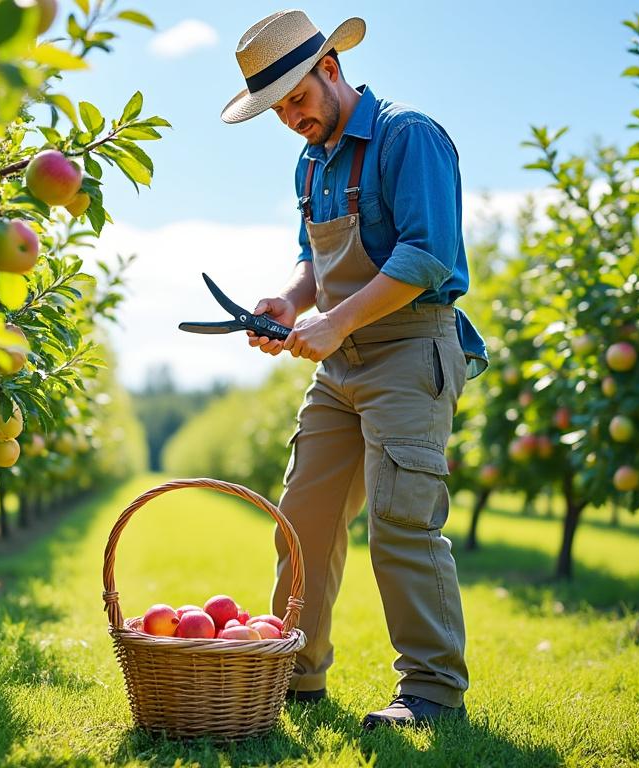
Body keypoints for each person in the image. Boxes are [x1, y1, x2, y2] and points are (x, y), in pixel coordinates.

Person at [221, 10, 489, 728]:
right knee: (301, 520)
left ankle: (432, 690)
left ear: (330, 69)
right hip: (339, 361)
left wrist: (335, 321)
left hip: (410, 348)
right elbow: (318, 260)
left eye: (297, 99)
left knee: (401, 519)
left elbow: (426, 254)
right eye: (276, 109)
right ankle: (293, 672)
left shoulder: (409, 137)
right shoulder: (311, 158)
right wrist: (292, 299)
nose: (290, 117)